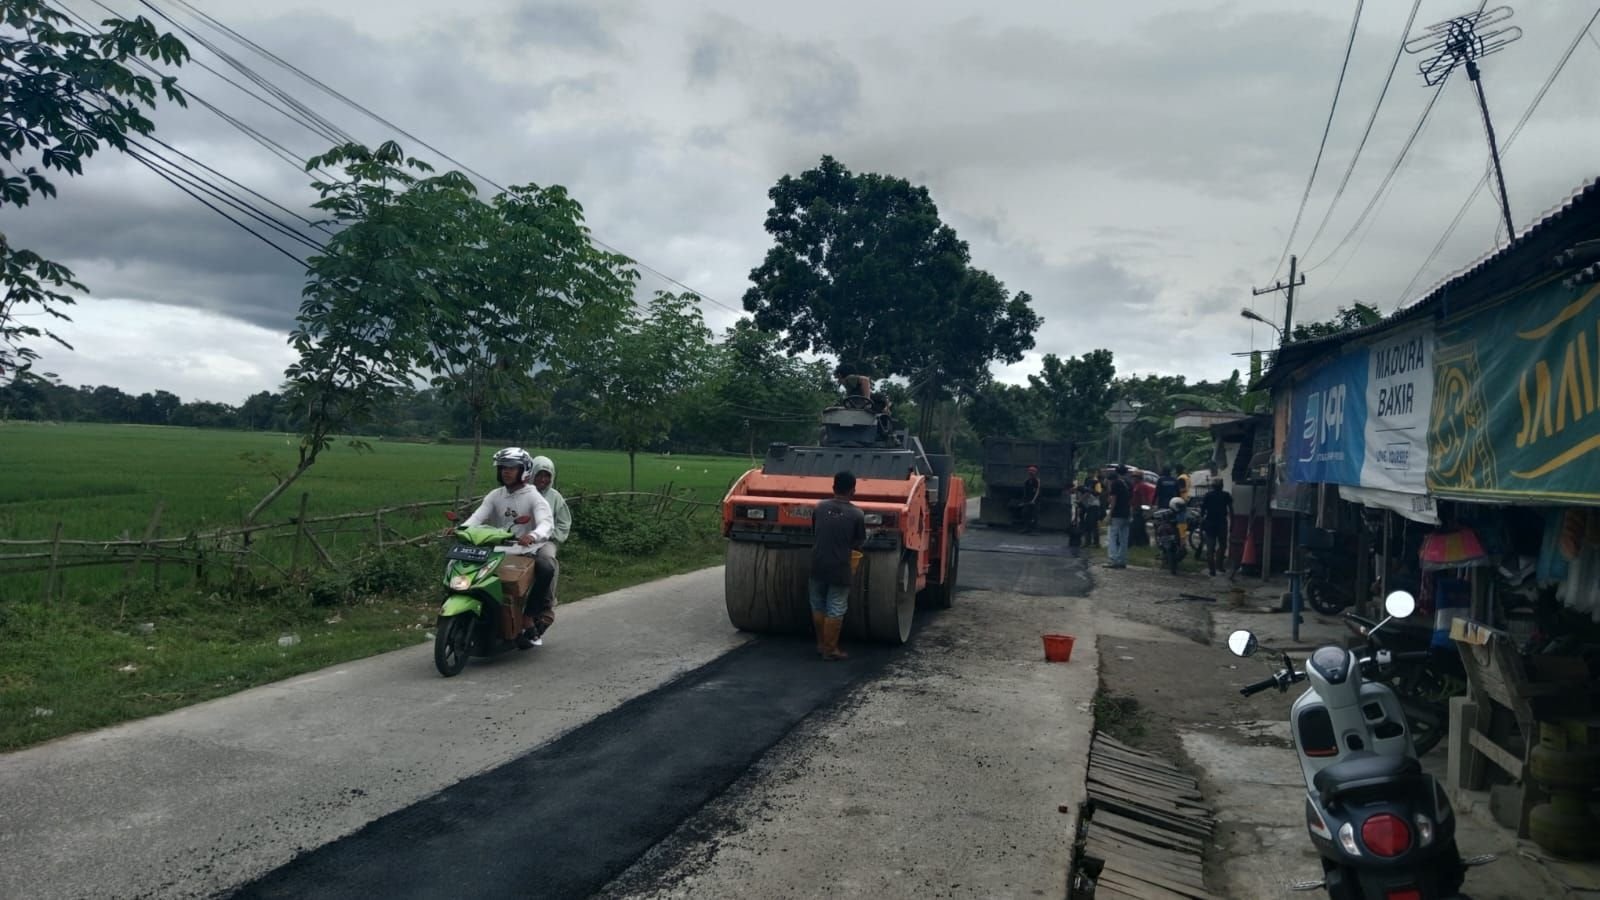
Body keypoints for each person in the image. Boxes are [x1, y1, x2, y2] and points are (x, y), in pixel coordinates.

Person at [463, 447, 554, 648]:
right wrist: (461, 530)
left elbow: (546, 523)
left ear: (524, 470)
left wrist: (533, 535)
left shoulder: (533, 496)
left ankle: (529, 617)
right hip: (497, 551)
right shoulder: (496, 495)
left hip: (524, 553)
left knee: (547, 569)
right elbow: (477, 517)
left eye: (512, 468)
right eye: (503, 467)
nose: (506, 471)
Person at [810, 470, 867, 661]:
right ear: (853, 490)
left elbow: (815, 530)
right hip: (840, 567)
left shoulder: (819, 507)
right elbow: (858, 542)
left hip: (817, 564)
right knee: (835, 606)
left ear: (833, 487)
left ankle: (820, 644)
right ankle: (830, 649)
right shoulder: (857, 514)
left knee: (818, 604)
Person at [525, 455, 571, 645]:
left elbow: (564, 523)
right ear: (531, 474)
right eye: (539, 475)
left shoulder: (555, 497)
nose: (543, 480)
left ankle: (547, 605)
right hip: (518, 540)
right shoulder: (521, 493)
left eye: (547, 476)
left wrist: (551, 536)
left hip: (544, 541)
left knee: (548, 560)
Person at [1200, 479, 1234, 576]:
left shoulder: (1208, 495)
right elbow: (1231, 510)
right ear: (1222, 486)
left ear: (1213, 486)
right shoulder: (1226, 495)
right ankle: (1219, 565)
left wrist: (1201, 523)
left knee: (1210, 547)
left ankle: (1212, 569)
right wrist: (1233, 523)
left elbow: (1202, 511)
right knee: (1222, 545)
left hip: (1210, 523)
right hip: (1222, 524)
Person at [1106, 464, 1132, 568]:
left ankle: (1113, 560)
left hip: (1117, 514)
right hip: (1126, 513)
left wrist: (1110, 514)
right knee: (1124, 538)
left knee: (1112, 536)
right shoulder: (1129, 483)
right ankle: (1122, 560)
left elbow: (1113, 500)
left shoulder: (1116, 483)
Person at [1021, 464, 1041, 534]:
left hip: (1035, 501)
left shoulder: (1037, 480)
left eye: (1033, 471)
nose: (1031, 472)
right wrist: (1024, 501)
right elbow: (1025, 492)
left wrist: (1033, 500)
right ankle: (1026, 528)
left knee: (1034, 515)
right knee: (1025, 513)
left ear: (1035, 472)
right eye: (1030, 471)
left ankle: (1035, 530)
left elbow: (1037, 491)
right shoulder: (1026, 481)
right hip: (1027, 500)